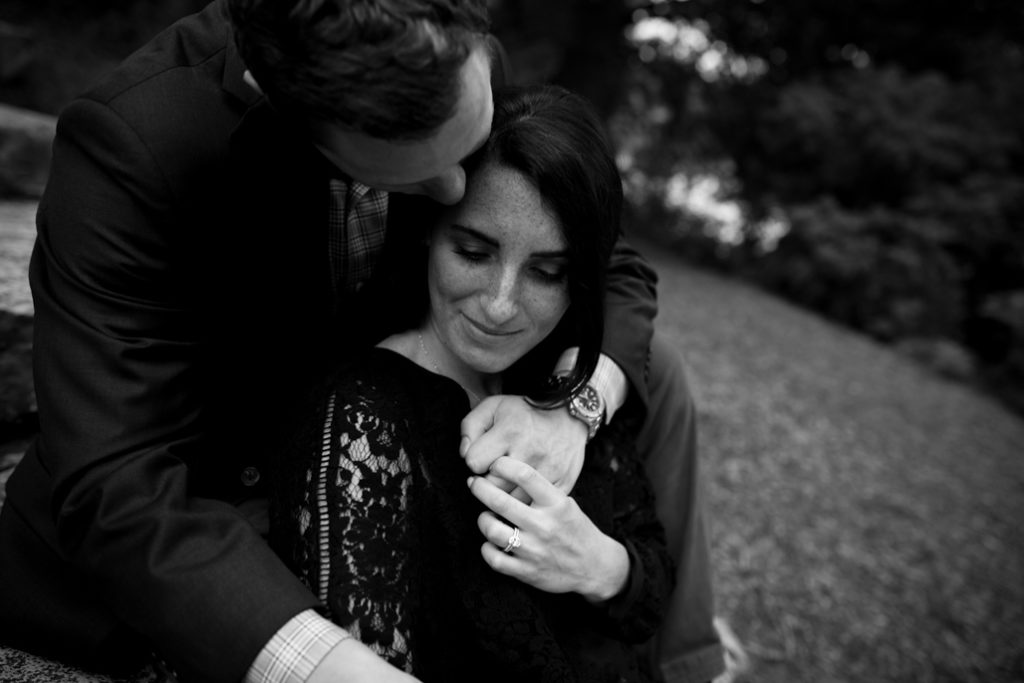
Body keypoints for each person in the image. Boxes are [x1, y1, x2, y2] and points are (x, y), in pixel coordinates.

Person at [0, 0, 722, 681]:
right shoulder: (133, 145)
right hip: (214, 504)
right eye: (416, 165)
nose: (454, 187)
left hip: (405, 404)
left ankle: (689, 663)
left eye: (468, 146)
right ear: (285, 106)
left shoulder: (446, 57)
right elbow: (118, 487)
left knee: (655, 366)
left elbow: (605, 255)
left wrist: (570, 409)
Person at [271, 83, 674, 682]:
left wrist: (600, 567)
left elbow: (652, 592)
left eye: (545, 271)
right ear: (429, 232)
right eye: (474, 252)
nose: (501, 305)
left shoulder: (564, 382)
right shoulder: (367, 420)